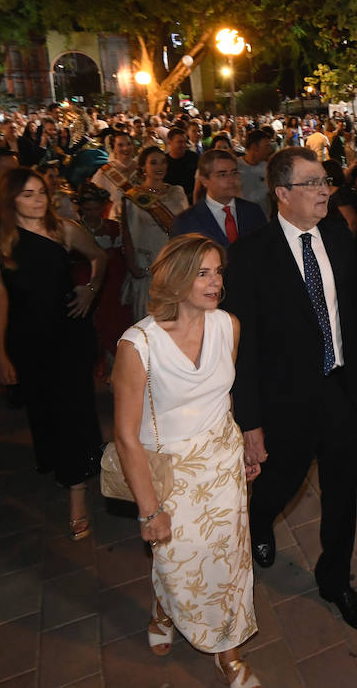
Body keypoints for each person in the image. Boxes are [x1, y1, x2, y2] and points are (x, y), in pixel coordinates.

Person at [226, 148, 357, 631]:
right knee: (279, 485)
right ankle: (260, 521)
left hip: (342, 393)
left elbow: (352, 314)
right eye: (312, 183)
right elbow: (242, 349)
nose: (324, 190)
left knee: (341, 493)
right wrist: (250, 422)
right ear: (282, 194)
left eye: (325, 181)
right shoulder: (250, 254)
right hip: (285, 403)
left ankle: (335, 580)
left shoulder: (338, 235)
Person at [111, 235, 260, 679]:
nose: (215, 282)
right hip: (171, 476)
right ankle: (163, 608)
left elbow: (223, 396)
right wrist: (148, 508)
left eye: (218, 272)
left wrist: (244, 447)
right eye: (202, 273)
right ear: (175, 280)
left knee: (230, 561)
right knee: (178, 561)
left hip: (222, 467)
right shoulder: (138, 346)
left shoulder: (228, 326)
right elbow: (124, 436)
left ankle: (228, 652)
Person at [0, 168, 106, 540]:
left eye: (42, 193)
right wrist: (0, 352)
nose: (39, 200)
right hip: (28, 340)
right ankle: (65, 462)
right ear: (9, 200)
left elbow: (99, 256)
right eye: (28, 195)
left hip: (68, 334)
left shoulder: (64, 229)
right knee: (44, 410)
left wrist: (89, 288)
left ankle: (77, 493)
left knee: (73, 409)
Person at [121, 146, 191, 319]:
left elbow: (187, 227)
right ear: (143, 167)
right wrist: (132, 265)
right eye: (153, 162)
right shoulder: (132, 197)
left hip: (175, 263)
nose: (160, 167)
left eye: (163, 162)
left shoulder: (178, 192)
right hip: (148, 265)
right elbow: (127, 234)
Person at [72, 183, 132, 382]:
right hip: (85, 282)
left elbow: (123, 259)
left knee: (115, 322)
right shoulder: (75, 229)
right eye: (87, 209)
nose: (92, 213)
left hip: (113, 283)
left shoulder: (114, 228)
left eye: (96, 208)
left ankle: (117, 370)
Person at [171, 150, 267, 246]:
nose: (231, 180)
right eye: (222, 174)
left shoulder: (254, 212)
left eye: (234, 173)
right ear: (204, 181)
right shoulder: (186, 222)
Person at [91, 130, 140, 213]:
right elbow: (95, 198)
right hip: (117, 216)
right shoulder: (105, 171)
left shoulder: (142, 168)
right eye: (120, 145)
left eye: (129, 144)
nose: (126, 148)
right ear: (114, 148)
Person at [237, 129, 272, 211]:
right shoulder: (234, 167)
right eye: (267, 146)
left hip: (263, 218)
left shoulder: (268, 168)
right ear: (254, 147)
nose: (270, 150)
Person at [163, 128, 200, 200]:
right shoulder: (163, 161)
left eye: (185, 142)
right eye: (179, 142)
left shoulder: (193, 157)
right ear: (170, 142)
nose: (183, 145)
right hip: (172, 201)